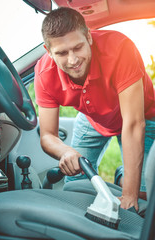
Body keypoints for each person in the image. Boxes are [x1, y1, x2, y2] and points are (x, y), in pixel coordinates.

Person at [34, 7, 155, 211]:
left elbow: (133, 125)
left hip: (142, 115)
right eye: (62, 53)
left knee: (142, 196)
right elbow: (47, 136)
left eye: (78, 47)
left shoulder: (120, 48)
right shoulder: (44, 73)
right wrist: (66, 152)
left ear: (89, 37)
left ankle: (122, 176)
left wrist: (129, 195)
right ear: (48, 51)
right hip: (93, 118)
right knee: (76, 186)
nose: (72, 60)